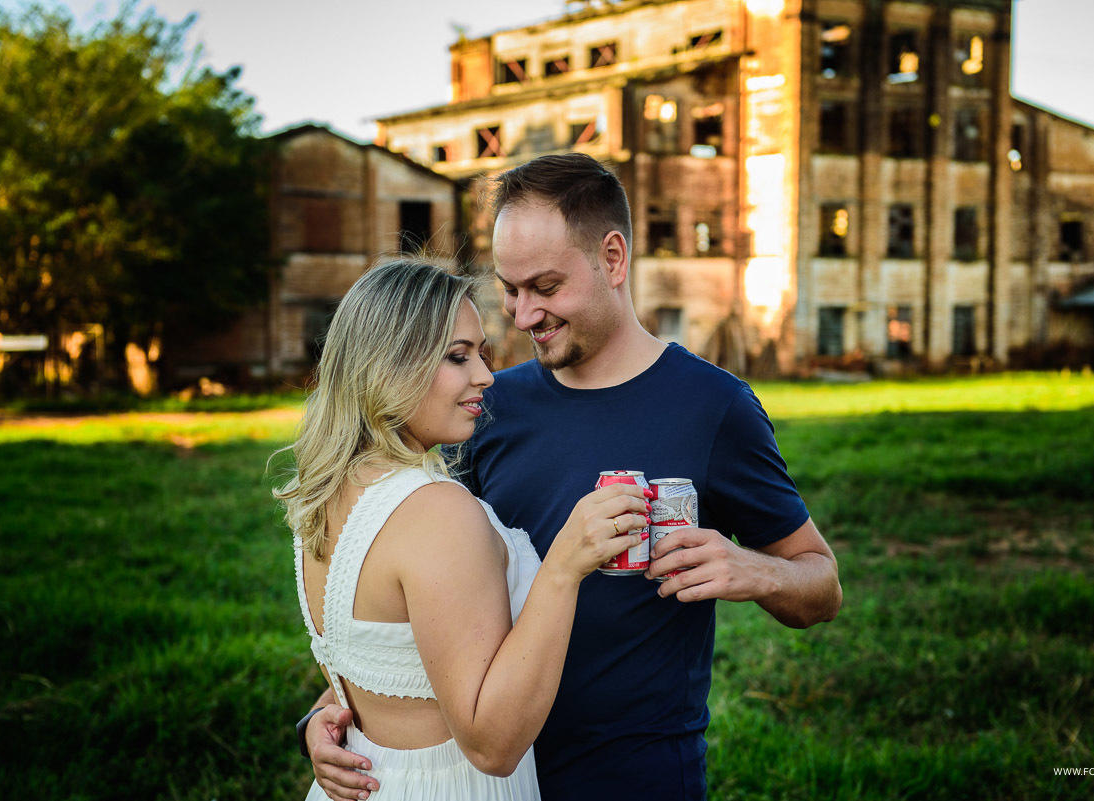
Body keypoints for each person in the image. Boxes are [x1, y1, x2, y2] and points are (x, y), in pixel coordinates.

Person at [306, 154, 842, 800]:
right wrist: (335, 709)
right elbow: (423, 599)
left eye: (546, 286)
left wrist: (753, 569)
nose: (523, 315)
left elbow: (822, 584)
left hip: (635, 779)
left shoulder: (715, 408)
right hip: (488, 773)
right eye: (510, 289)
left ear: (612, 259)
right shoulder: (483, 406)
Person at [277, 258, 651, 800]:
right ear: (389, 366)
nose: (485, 377)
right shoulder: (437, 512)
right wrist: (564, 566)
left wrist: (316, 718)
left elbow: (381, 657)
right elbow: (492, 746)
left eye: (481, 354)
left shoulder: (325, 493)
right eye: (458, 357)